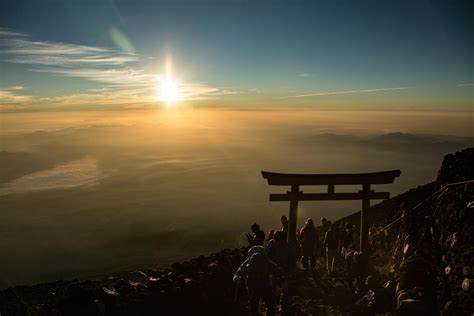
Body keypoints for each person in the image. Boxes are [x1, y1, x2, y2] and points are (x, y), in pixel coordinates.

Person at [233, 246, 282, 316]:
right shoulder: (267, 262)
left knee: (254, 305)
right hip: (263, 285)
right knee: (269, 305)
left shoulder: (249, 262)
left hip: (254, 286)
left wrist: (237, 277)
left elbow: (239, 272)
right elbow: (278, 270)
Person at [266, 230, 290, 308]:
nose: (277, 243)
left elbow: (289, 258)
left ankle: (282, 304)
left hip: (283, 269)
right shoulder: (271, 244)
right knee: (273, 287)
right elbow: (268, 257)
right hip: (274, 269)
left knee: (284, 288)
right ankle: (272, 305)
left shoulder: (285, 246)